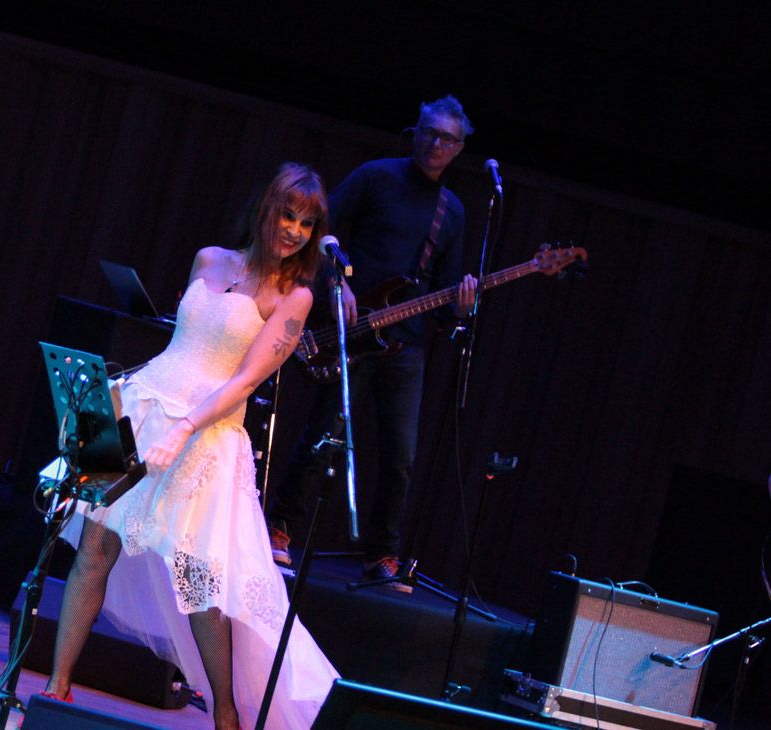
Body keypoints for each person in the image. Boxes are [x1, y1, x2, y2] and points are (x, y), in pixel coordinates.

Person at [42, 162, 340, 729]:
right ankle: (57, 688)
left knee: (198, 578)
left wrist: (186, 426)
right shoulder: (209, 259)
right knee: (95, 548)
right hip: (144, 406)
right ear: (266, 209)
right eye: (287, 214)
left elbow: (244, 381)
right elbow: (181, 344)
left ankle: (225, 713)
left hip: (205, 433)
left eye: (307, 223)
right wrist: (121, 391)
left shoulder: (293, 297)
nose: (294, 230)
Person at [266, 95, 479, 588]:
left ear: (459, 148)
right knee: (323, 433)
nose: (435, 144)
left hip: (407, 347)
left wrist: (462, 305)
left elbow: (446, 295)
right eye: (428, 132)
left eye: (447, 139)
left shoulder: (453, 211)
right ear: (416, 131)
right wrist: (340, 282)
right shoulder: (376, 176)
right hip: (355, 329)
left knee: (400, 456)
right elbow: (322, 231)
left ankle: (382, 555)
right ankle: (280, 528)